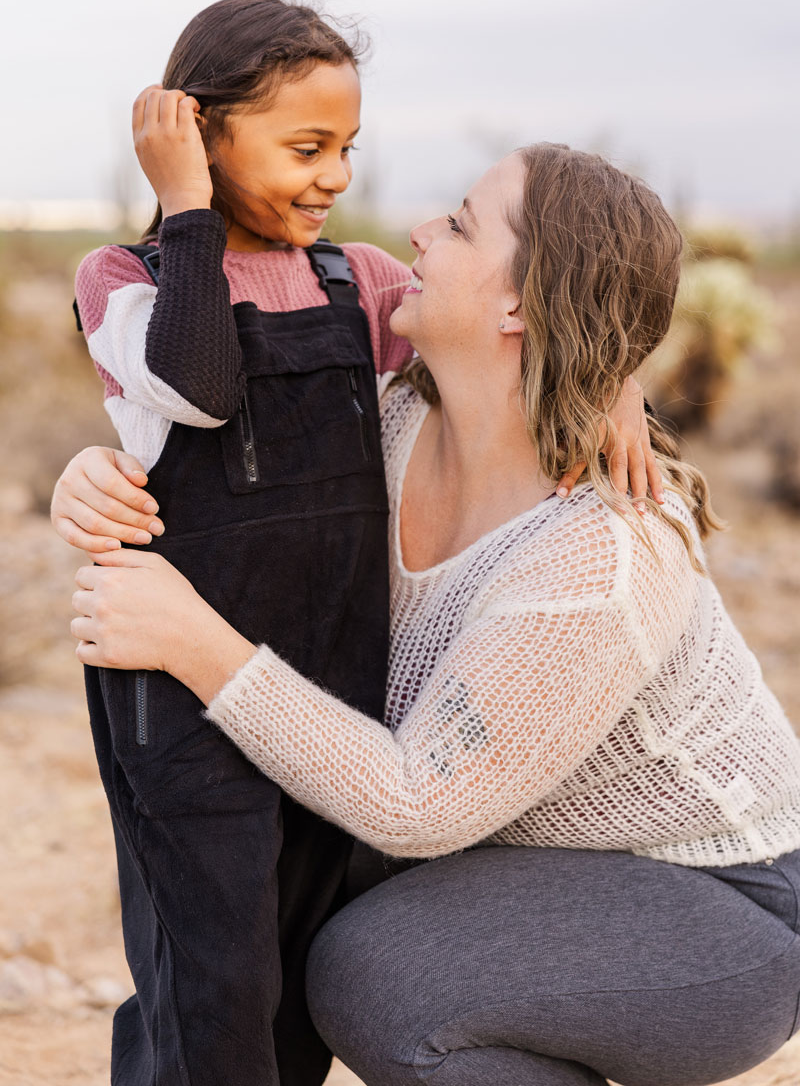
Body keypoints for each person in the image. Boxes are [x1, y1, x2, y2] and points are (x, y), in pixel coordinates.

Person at [60, 143, 800, 1085]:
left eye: (457, 223)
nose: (415, 229)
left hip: (720, 910)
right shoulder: (384, 422)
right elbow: (219, 481)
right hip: (514, 865)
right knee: (285, 902)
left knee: (380, 977)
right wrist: (93, 480)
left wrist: (195, 644)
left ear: (520, 306)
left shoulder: (602, 554)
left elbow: (415, 803)